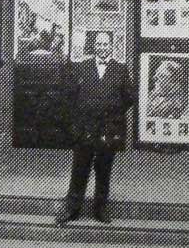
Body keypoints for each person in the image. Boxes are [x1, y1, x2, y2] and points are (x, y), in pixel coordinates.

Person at [56, 30, 134, 225]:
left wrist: (114, 112)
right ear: (94, 46)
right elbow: (71, 95)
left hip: (108, 129)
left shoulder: (120, 69)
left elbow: (129, 97)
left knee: (103, 170)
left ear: (111, 46)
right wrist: (79, 118)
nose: (102, 47)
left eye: (105, 44)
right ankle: (72, 209)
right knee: (79, 169)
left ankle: (101, 209)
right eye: (98, 44)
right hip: (85, 128)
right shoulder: (82, 67)